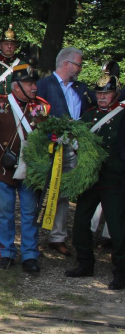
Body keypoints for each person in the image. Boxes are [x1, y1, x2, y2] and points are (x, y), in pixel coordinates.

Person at [0, 64, 49, 274]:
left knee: (29, 213)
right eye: (29, 83)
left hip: (30, 172)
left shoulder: (42, 107)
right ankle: (6, 253)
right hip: (3, 170)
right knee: (4, 213)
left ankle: (29, 255)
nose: (34, 87)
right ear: (16, 86)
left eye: (34, 83)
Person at [66, 63, 125, 290]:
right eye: (99, 94)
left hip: (114, 179)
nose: (102, 98)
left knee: (118, 229)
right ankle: (85, 263)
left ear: (115, 94)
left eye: (106, 93)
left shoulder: (121, 115)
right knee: (81, 223)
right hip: (90, 180)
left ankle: (121, 271)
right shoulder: (89, 115)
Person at [36, 47, 93, 256]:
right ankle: (45, 235)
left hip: (78, 146)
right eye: (78, 64)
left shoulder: (82, 88)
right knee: (50, 189)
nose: (80, 68)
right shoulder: (43, 85)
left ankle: (62, 236)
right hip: (53, 146)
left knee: (68, 191)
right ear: (66, 64)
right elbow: (36, 115)